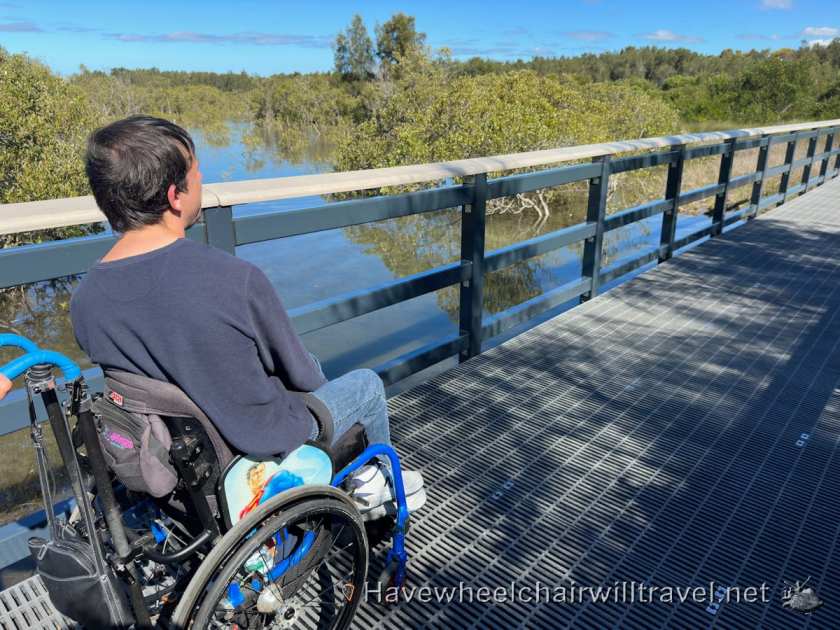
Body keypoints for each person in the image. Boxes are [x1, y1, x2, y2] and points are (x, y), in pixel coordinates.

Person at [5, 115, 425, 519]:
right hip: (255, 442)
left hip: (181, 456)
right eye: (197, 172)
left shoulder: (86, 299)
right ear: (174, 195)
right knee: (362, 384)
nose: (202, 180)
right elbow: (300, 375)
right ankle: (378, 488)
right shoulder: (234, 279)